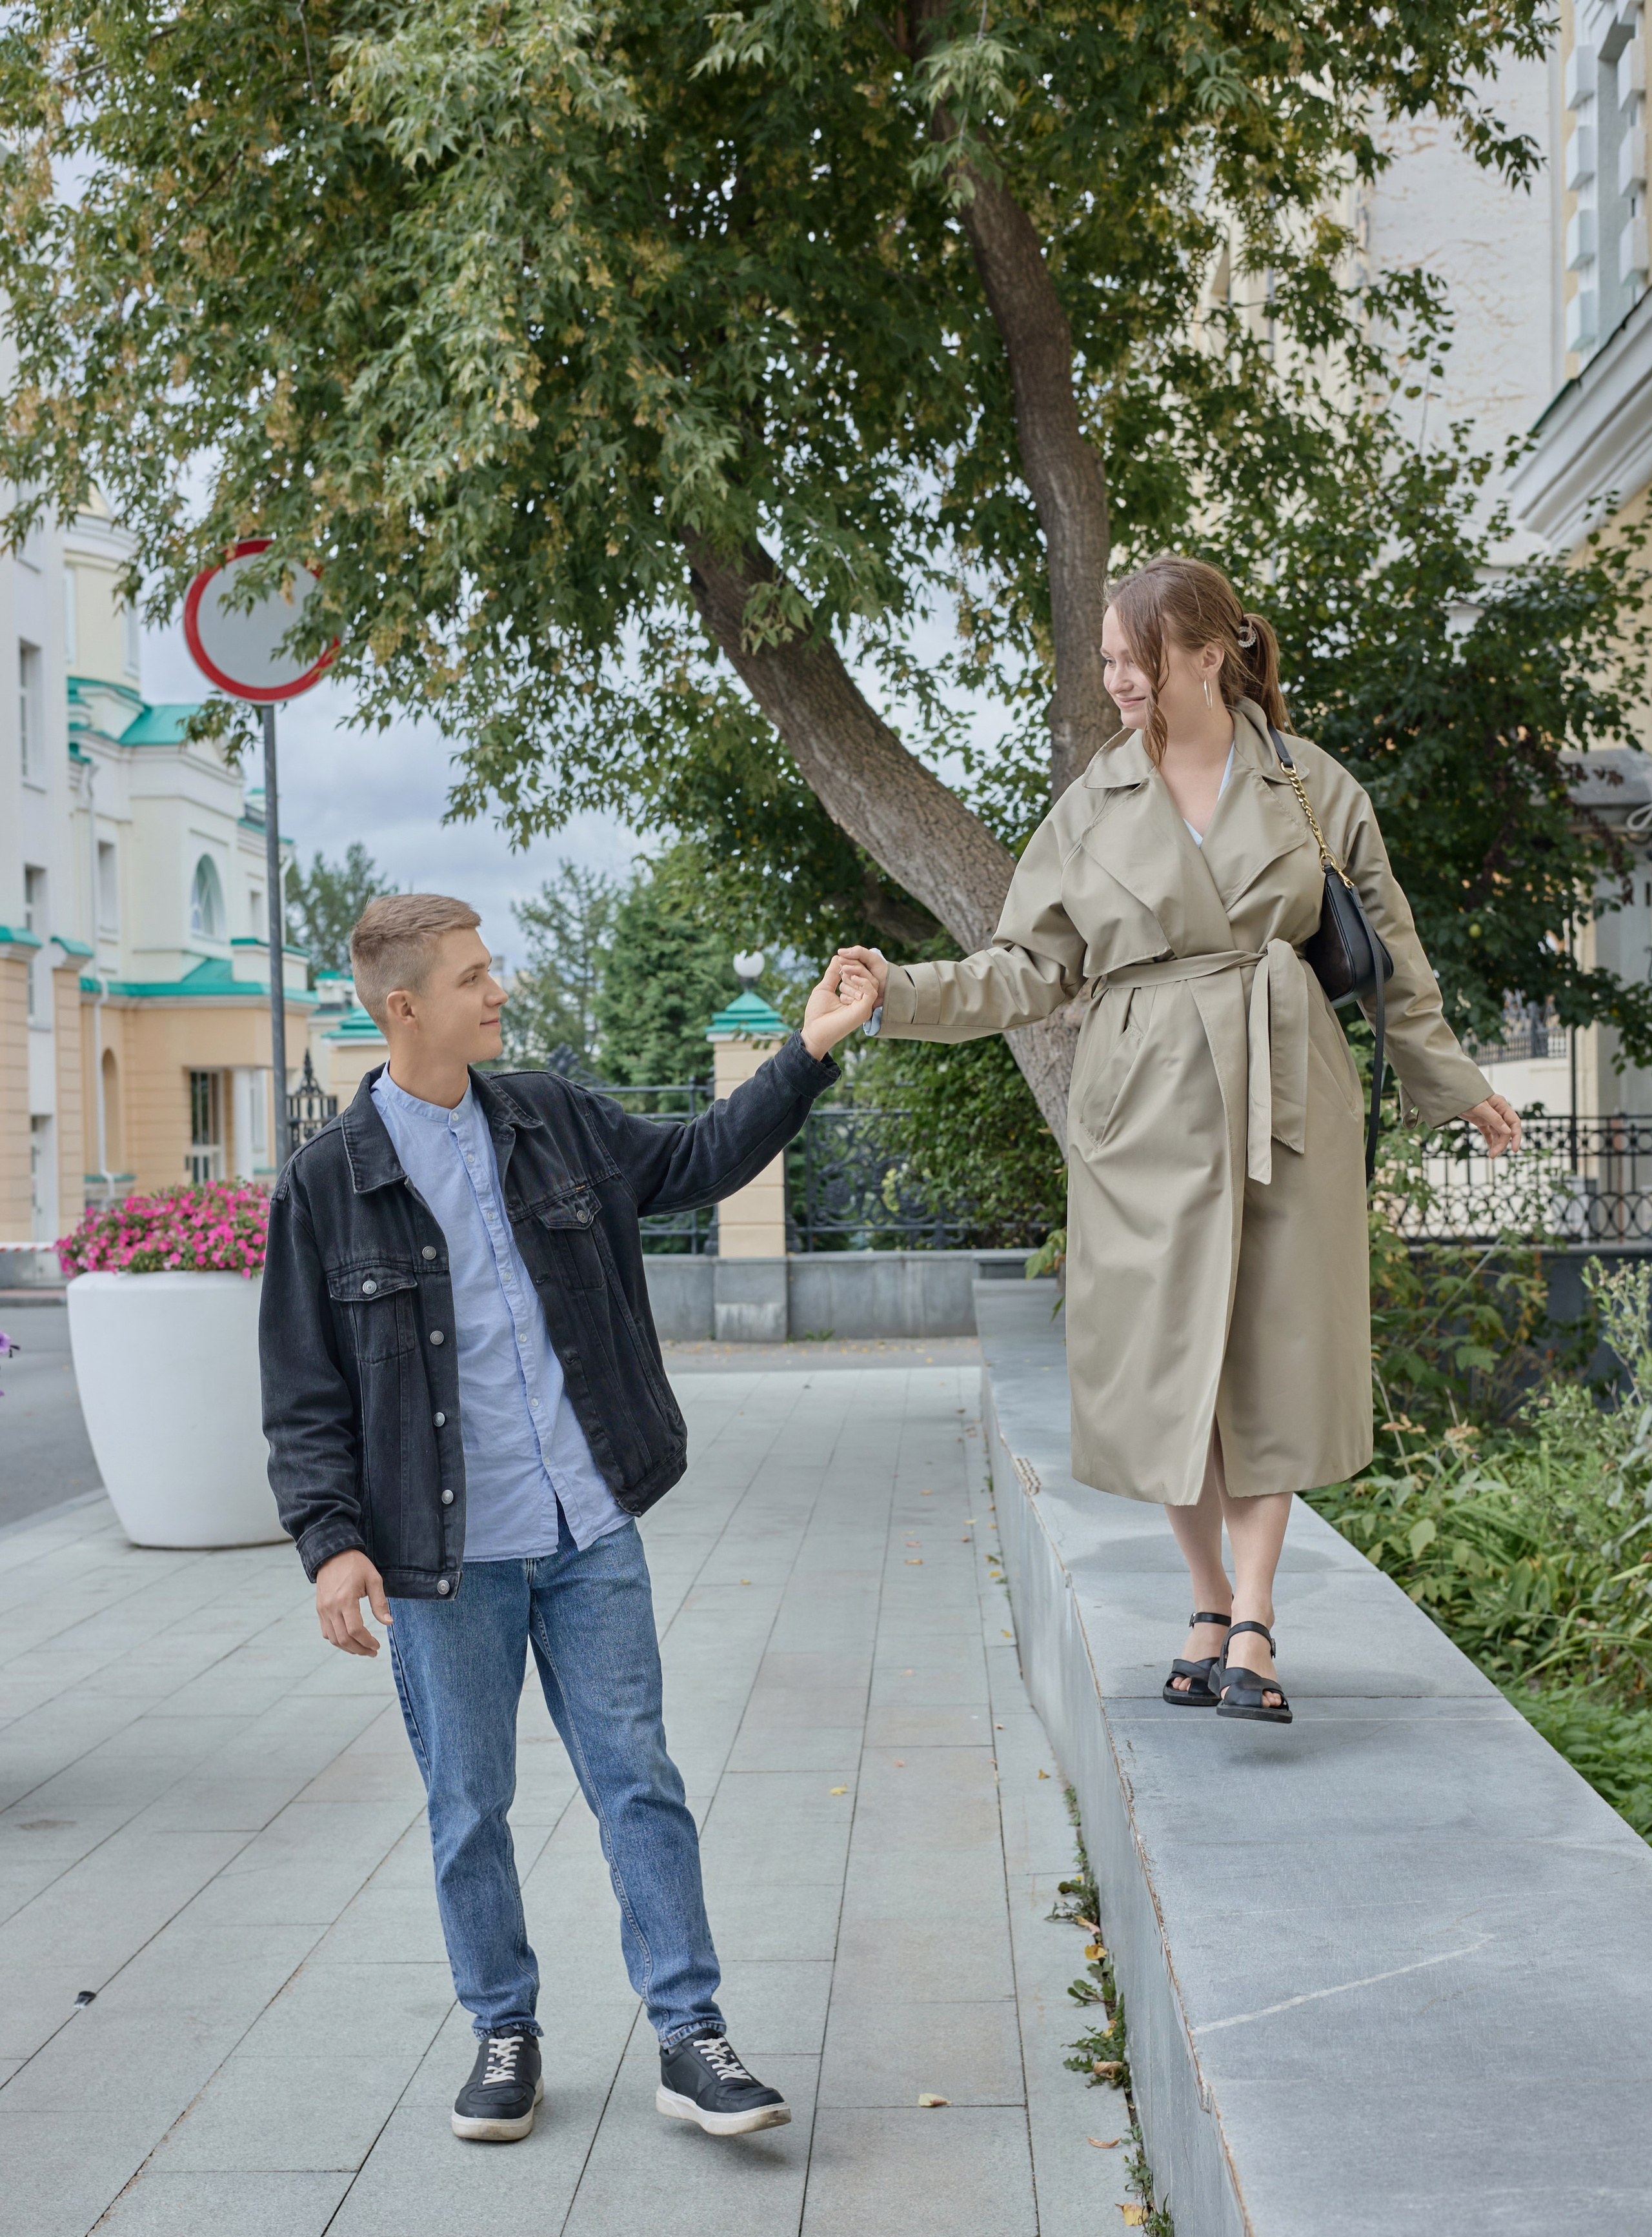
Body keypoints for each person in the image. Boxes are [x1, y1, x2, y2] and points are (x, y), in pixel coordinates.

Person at [834, 554, 1521, 1725]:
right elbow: (1030, 967)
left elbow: (1391, 955)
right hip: (1142, 1111)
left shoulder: (1310, 783)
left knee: (1272, 1353)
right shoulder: (1093, 802)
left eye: (1134, 659)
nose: (1115, 680)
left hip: (1285, 1095)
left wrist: (1448, 1082)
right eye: (1106, 659)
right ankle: (1207, 1598)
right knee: (1166, 1366)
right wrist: (896, 991)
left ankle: (1254, 1615)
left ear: (1210, 655)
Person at [259, 893, 876, 2141]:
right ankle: (504, 2029)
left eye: (492, 969)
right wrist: (332, 1544)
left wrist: (808, 1048)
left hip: (588, 1527)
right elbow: (304, 1391)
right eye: (472, 977)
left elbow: (696, 1159)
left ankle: (690, 2034)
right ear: (404, 1007)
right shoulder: (328, 1183)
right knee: (469, 1806)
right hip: (442, 1562)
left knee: (638, 1782)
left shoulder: (552, 1118)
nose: (498, 992)